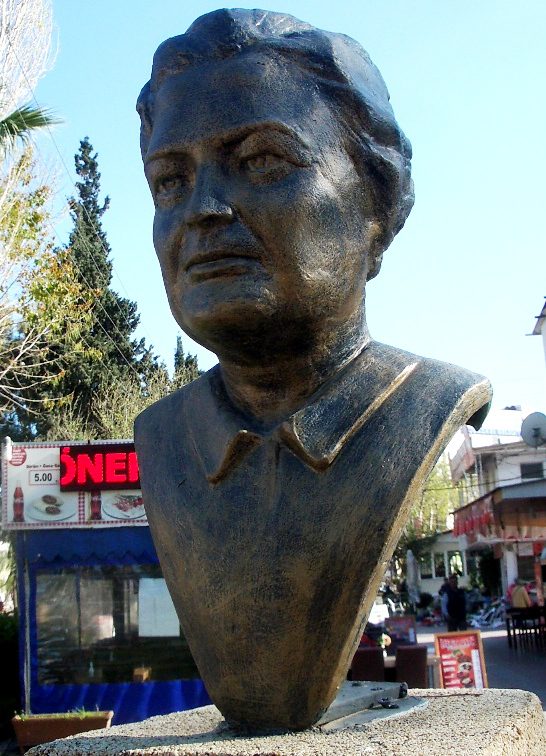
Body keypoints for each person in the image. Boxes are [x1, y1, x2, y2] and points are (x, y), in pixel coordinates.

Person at [134, 9, 492, 730]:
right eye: (170, 181)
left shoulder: (426, 406)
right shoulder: (163, 441)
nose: (203, 210)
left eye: (264, 160)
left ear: (376, 202)